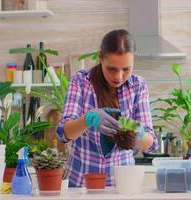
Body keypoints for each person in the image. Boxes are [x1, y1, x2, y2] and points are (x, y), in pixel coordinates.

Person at [56, 29, 158, 187]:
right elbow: (63, 133)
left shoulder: (138, 86)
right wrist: (87, 119)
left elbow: (149, 144)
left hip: (123, 186)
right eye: (112, 68)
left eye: (126, 69)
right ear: (100, 57)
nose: (118, 76)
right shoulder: (81, 82)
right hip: (81, 185)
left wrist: (139, 133)